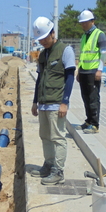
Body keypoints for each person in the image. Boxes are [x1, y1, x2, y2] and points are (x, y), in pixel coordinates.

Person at [29, 16, 76, 185]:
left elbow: (70, 77)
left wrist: (65, 102)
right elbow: (40, 78)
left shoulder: (65, 50)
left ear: (52, 33)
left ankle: (58, 171)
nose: (42, 42)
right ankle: (48, 165)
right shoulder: (43, 54)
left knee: (57, 137)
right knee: (45, 136)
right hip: (43, 102)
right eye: (40, 40)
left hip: (57, 102)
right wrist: (35, 101)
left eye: (44, 38)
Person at [77, 10, 106, 134]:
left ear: (92, 21)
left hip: (93, 71)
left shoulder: (99, 34)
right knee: (85, 97)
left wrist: (100, 70)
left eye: (86, 22)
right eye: (82, 23)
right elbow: (82, 55)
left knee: (93, 98)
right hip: (84, 71)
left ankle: (95, 124)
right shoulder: (84, 36)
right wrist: (79, 70)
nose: (83, 25)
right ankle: (88, 120)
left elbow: (103, 54)